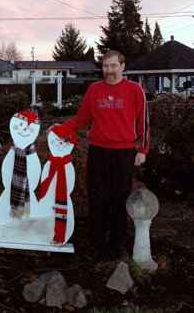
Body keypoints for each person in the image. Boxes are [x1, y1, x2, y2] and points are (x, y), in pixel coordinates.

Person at [59, 49, 150, 258]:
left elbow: (143, 122)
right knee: (97, 199)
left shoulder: (135, 90)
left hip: (124, 152)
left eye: (113, 66)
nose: (109, 70)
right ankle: (96, 244)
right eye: (105, 66)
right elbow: (81, 120)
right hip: (98, 151)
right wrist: (60, 128)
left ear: (122, 66)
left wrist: (143, 150)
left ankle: (118, 244)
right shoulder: (94, 90)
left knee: (120, 199)